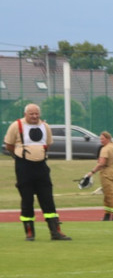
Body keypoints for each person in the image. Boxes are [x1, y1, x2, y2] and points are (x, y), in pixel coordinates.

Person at [3, 103, 71, 241]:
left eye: (36, 114)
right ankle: (29, 232)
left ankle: (55, 232)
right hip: (24, 167)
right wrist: (20, 154)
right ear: (25, 114)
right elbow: (9, 145)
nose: (34, 116)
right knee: (27, 199)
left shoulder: (45, 126)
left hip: (41, 167)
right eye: (31, 114)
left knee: (48, 199)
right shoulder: (16, 126)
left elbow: (48, 143)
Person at [81, 131, 113, 222]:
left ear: (108, 138)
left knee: (111, 195)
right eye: (100, 139)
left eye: (103, 139)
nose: (101, 141)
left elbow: (101, 163)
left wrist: (91, 172)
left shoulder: (105, 149)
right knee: (107, 195)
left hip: (107, 174)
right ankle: (107, 215)